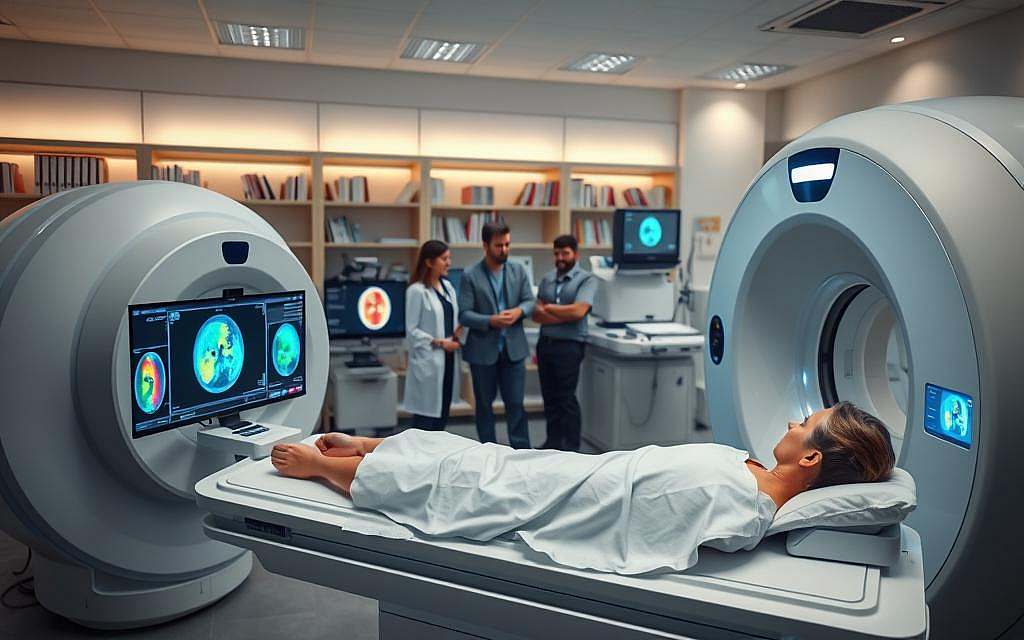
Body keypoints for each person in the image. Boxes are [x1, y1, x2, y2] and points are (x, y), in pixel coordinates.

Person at [271, 401, 897, 575]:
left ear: (812, 456)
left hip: (578, 498)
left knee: (473, 484)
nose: (792, 422)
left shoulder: (743, 508)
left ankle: (327, 467)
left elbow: (653, 523)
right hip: (586, 472)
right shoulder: (751, 474)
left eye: (804, 424)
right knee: (482, 454)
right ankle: (373, 446)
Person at [456, 222, 535, 448]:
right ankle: (488, 454)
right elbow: (464, 315)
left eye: (507, 244)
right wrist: (490, 320)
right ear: (485, 245)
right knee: (483, 405)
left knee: (516, 405)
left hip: (514, 349)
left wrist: (520, 311)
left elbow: (530, 301)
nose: (504, 250)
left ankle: (522, 454)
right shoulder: (470, 274)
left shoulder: (518, 270)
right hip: (482, 351)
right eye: (498, 245)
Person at [532, 235, 597, 451]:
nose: (560, 258)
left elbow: (579, 311)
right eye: (557, 253)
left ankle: (571, 447)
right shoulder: (547, 278)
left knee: (566, 398)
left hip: (570, 345)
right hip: (546, 344)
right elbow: (536, 315)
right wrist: (564, 314)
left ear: (575, 254)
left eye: (565, 253)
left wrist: (549, 308)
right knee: (549, 396)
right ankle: (553, 442)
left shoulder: (586, 279)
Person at [403, 240, 461, 430]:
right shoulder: (416, 291)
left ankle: (436, 458)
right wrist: (441, 343)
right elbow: (412, 332)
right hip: (429, 361)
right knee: (425, 422)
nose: (449, 263)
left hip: (448, 360)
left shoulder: (448, 288)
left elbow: (453, 318)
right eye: (444, 259)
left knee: (442, 414)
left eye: (449, 258)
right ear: (429, 262)